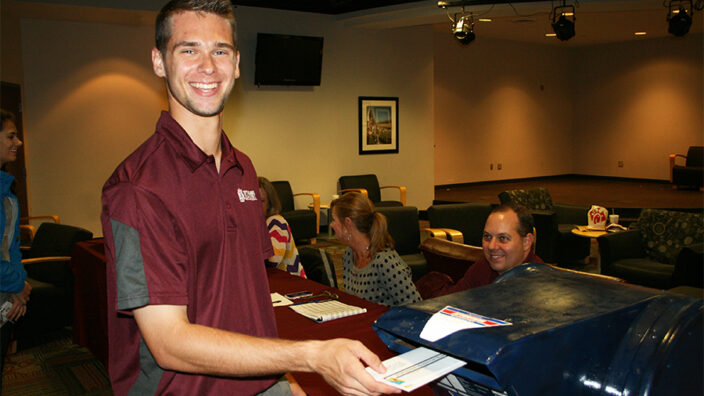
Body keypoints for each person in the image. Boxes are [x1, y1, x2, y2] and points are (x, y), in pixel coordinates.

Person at [100, 1, 399, 395]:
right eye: (188, 49)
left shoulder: (243, 168)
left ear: (237, 63)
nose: (208, 66)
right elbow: (169, 343)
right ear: (159, 62)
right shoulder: (139, 188)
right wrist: (307, 358)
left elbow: (246, 295)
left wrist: (282, 379)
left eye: (220, 51)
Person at [423, 203, 543, 298]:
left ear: (526, 242)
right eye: (487, 237)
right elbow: (451, 301)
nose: (491, 246)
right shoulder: (483, 267)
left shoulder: (540, 283)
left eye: (503, 238)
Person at [330, 192, 421, 307]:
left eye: (334, 220)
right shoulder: (349, 254)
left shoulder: (385, 262)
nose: (331, 225)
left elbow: (416, 305)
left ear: (348, 223)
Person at [0, 109, 31, 387]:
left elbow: (11, 244)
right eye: (11, 135)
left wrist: (20, 285)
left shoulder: (5, 187)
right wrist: (17, 285)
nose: (18, 142)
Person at [258, 177, 305, 278]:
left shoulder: (276, 222)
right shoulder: (254, 223)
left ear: (269, 204)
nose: (256, 205)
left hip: (292, 282)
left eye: (261, 201)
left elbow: (273, 260)